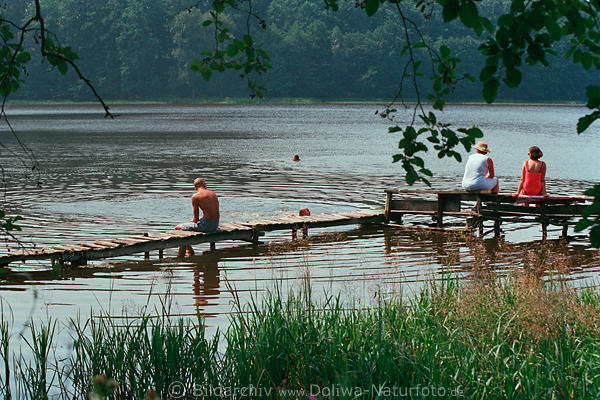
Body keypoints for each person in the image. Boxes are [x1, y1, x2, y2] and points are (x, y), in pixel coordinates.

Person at [175, 178, 220, 257]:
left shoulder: (195, 196)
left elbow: (195, 219)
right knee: (186, 229)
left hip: (206, 226)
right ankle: (190, 254)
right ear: (204, 184)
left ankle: (180, 258)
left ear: (195, 188)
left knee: (178, 227)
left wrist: (187, 223)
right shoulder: (213, 193)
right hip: (215, 224)